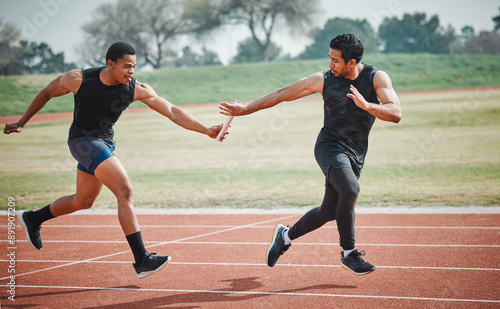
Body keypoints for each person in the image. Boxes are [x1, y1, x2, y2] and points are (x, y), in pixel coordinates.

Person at [4, 42, 224, 279]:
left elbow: (170, 110)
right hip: (82, 141)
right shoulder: (78, 79)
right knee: (124, 189)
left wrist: (206, 130)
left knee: (83, 200)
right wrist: (22, 121)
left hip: (105, 143)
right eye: (127, 66)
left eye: (134, 66)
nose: (131, 71)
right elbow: (47, 91)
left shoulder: (134, 88)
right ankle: (142, 260)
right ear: (111, 64)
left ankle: (32, 218)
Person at [219, 33, 401, 275]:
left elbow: (395, 112)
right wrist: (247, 109)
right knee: (350, 190)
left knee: (329, 211)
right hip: (329, 147)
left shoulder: (376, 77)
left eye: (336, 60)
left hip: (356, 153)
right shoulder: (323, 80)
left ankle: (285, 236)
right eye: (330, 58)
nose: (330, 64)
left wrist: (368, 106)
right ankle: (349, 253)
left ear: (352, 62)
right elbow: (282, 93)